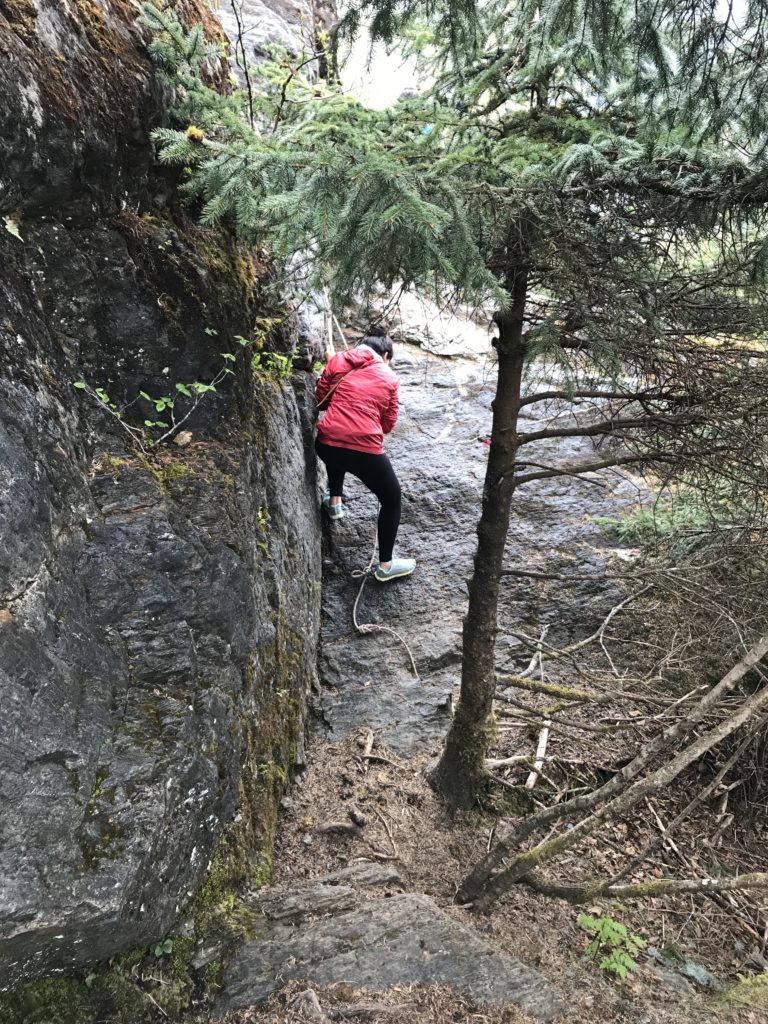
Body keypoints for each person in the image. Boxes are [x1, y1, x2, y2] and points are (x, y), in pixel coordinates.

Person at [315, 333, 416, 582]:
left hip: (326, 445)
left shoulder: (338, 361)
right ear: (384, 356)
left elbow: (320, 398)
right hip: (364, 450)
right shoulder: (389, 377)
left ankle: (335, 502)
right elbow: (388, 424)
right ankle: (385, 566)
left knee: (337, 448)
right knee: (392, 500)